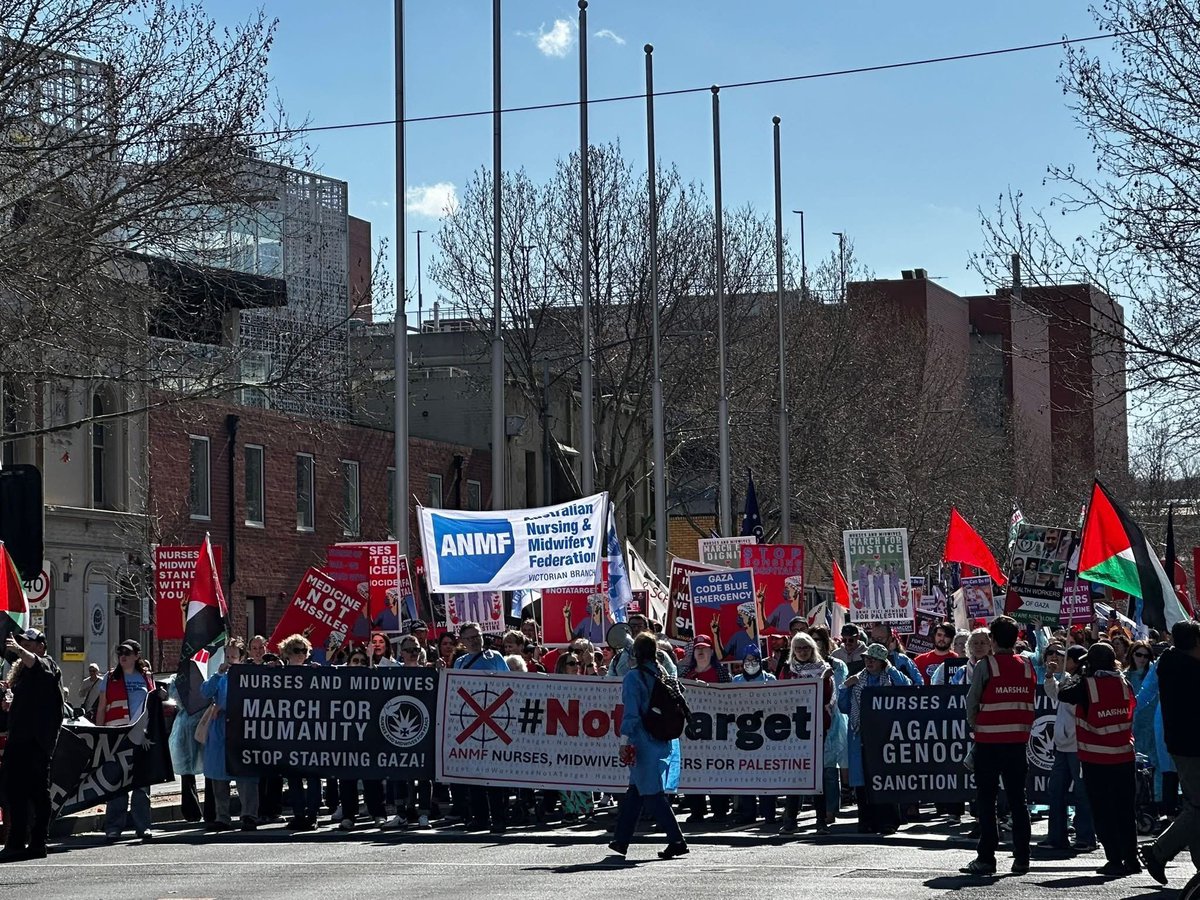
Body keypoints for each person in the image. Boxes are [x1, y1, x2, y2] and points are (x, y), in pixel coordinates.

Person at [1052, 641, 1139, 877]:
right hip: (1123, 755)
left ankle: (1114, 859)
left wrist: (1079, 674)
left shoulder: (1087, 686)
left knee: (1102, 811)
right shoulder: (1124, 683)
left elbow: (1062, 693)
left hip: (1096, 758)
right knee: (1125, 811)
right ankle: (1132, 859)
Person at [962, 616, 1035, 877]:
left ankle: (986, 859)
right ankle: (1022, 858)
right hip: (1017, 744)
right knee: (1018, 801)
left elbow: (972, 702)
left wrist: (977, 726)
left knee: (986, 801)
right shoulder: (1027, 665)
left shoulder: (987, 665)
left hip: (989, 744)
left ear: (992, 640)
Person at [607, 632, 688, 861]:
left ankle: (677, 840)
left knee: (651, 794)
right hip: (661, 740)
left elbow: (631, 713)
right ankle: (621, 840)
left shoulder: (634, 677)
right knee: (635, 792)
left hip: (643, 741)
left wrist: (624, 741)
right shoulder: (660, 672)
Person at [1142, 619, 1200, 886]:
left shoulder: (1170, 662)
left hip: (1180, 744)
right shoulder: (1190, 671)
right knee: (1198, 807)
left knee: (1194, 805)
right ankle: (1159, 851)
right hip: (1193, 746)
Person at [0, 629, 64, 861]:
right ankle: (15, 841)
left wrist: (18, 649)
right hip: (18, 741)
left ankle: (38, 842)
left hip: (37, 743)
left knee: (38, 792)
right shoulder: (23, 675)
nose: (23, 646)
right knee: (13, 791)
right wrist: (11, 703)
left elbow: (36, 664)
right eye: (21, 643)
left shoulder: (48, 665)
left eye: (28, 643)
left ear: (41, 646)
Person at [97, 640, 161, 843]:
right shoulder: (109, 678)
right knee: (116, 784)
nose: (122, 656)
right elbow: (102, 707)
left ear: (136, 656)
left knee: (141, 784)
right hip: (116, 736)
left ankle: (143, 826)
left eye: (127, 652)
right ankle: (114, 827)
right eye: (119, 652)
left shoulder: (145, 677)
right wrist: (100, 734)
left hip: (140, 736)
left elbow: (152, 706)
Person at [779, 632, 840, 834]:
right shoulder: (788, 670)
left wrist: (822, 681)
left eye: (805, 647)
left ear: (812, 649)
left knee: (817, 776)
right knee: (794, 774)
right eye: (798, 648)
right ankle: (790, 820)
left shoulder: (824, 670)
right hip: (793, 729)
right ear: (793, 651)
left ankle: (821, 821)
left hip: (816, 728)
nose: (802, 652)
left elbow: (828, 698)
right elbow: (779, 696)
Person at [200, 638, 260, 832]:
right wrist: (217, 675)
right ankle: (222, 816)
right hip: (219, 732)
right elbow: (205, 692)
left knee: (245, 776)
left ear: (242, 658)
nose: (230, 659)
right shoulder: (220, 677)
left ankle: (249, 815)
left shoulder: (249, 677)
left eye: (234, 656)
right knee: (219, 777)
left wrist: (223, 706)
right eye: (227, 655)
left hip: (242, 731)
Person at [453, 622, 508, 833]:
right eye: (471, 637)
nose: (476, 640)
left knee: (493, 775)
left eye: (478, 636)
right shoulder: (459, 663)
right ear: (463, 641)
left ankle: (499, 817)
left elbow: (509, 684)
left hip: (494, 723)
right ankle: (480, 817)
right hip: (470, 723)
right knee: (474, 775)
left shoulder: (495, 658)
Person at [1041, 644, 1096, 852]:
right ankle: (1056, 836)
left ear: (1074, 661)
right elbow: (1055, 694)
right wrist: (1049, 676)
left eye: (1066, 657)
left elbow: (1068, 702)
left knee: (1082, 792)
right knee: (1056, 791)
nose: (1061, 659)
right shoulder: (1068, 680)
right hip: (1062, 746)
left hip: (1077, 745)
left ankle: (1085, 837)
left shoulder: (1083, 683)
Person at [279, 633, 323, 831]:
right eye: (296, 650)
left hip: (311, 733)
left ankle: (312, 814)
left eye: (304, 651)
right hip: (289, 733)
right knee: (293, 776)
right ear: (288, 653)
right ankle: (298, 814)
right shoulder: (279, 673)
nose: (301, 654)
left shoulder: (314, 672)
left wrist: (320, 675)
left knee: (313, 775)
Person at [731, 643, 777, 826]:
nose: (751, 663)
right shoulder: (736, 681)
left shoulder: (770, 679)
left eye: (754, 660)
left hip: (766, 734)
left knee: (766, 774)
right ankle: (748, 812)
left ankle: (768, 812)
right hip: (744, 734)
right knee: (746, 774)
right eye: (747, 660)